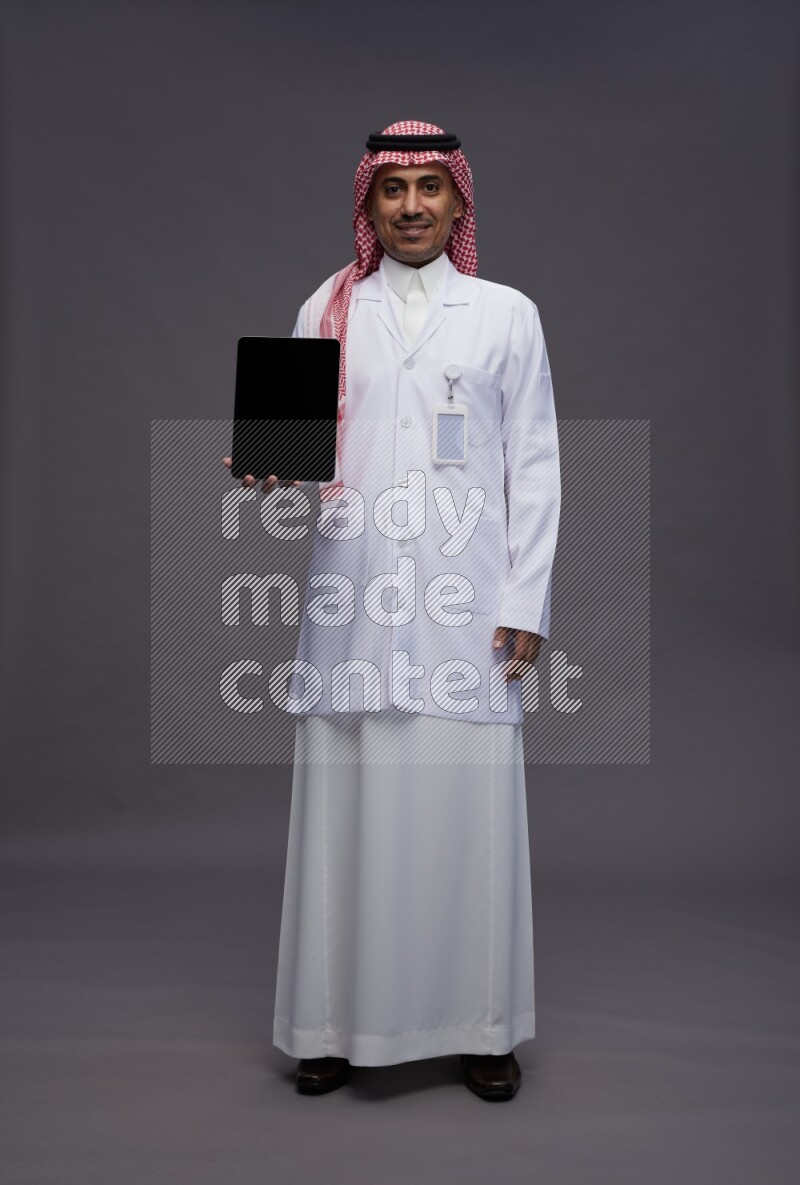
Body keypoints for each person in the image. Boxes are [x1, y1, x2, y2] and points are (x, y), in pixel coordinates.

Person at [223, 120, 560, 1100]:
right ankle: (327, 1027)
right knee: (346, 811)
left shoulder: (505, 315)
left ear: (458, 202)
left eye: (428, 188)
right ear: (366, 205)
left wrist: (525, 598)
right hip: (353, 597)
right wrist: (263, 475)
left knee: (468, 814)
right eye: (391, 190)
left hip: (470, 611)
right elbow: (294, 480)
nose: (410, 206)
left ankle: (482, 1027)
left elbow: (532, 466)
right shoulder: (328, 310)